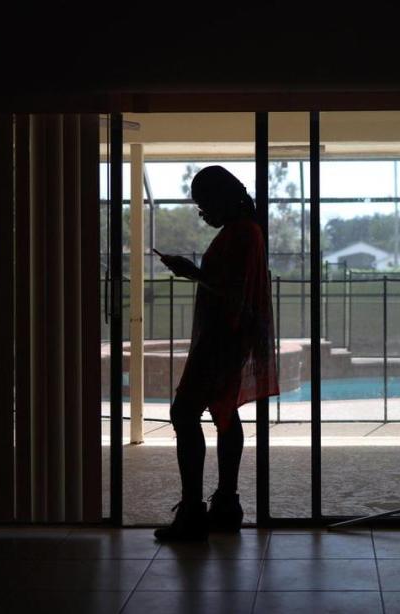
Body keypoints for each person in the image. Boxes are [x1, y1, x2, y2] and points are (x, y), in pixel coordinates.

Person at [153, 165, 279, 542]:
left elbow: (232, 292)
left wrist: (193, 273)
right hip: (230, 336)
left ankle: (193, 511)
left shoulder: (240, 234)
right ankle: (226, 503)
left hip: (223, 337)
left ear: (222, 198)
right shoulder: (245, 231)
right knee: (225, 413)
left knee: (183, 412)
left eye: (204, 202)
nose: (201, 211)